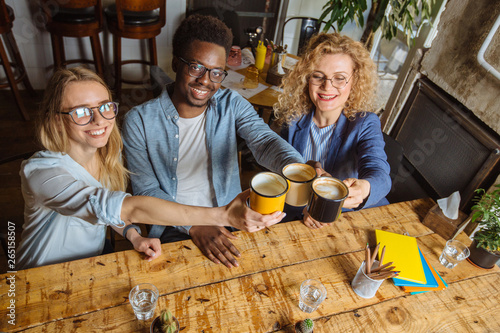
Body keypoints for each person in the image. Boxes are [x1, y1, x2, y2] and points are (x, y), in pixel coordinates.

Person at [16, 67, 285, 270]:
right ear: (56, 121)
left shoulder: (107, 154)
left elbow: (111, 212)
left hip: (91, 262)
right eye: (81, 112)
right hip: (40, 274)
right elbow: (129, 207)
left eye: (104, 107)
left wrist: (133, 235)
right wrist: (223, 216)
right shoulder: (42, 173)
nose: (99, 119)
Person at [122, 14, 304, 268]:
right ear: (176, 63)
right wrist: (196, 224)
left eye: (217, 72)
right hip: (173, 227)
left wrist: (299, 169)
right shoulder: (138, 121)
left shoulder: (232, 104)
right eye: (196, 67)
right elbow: (146, 191)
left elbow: (264, 141)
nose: (206, 80)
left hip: (233, 216)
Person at [274, 33, 391, 229]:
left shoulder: (365, 123)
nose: (327, 87)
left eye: (340, 78)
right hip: (301, 217)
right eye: (318, 76)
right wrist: (306, 206)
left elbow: (379, 172)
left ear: (355, 81)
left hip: (348, 220)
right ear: (306, 78)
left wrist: (364, 189)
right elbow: (281, 172)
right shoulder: (292, 118)